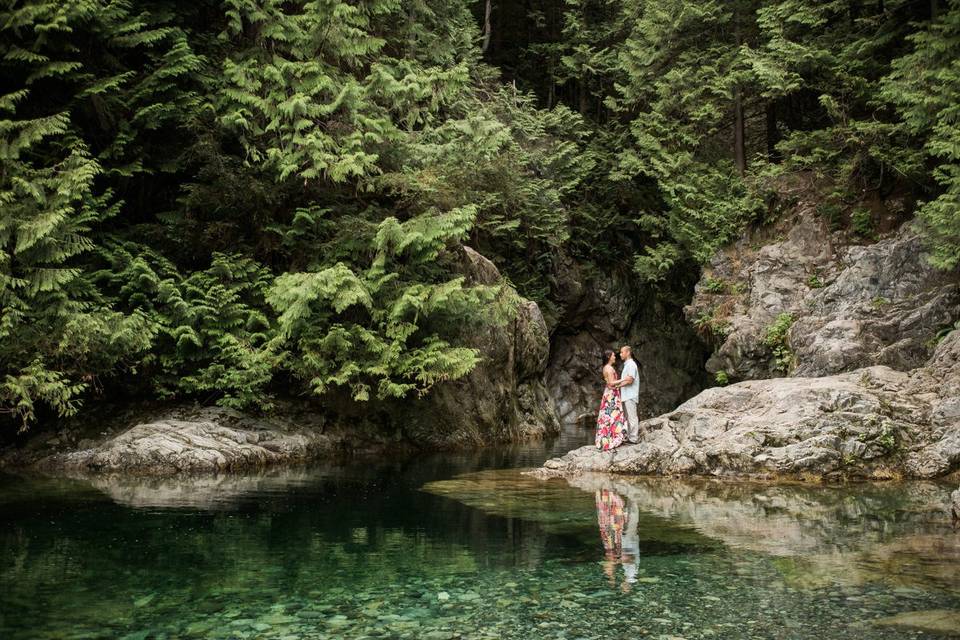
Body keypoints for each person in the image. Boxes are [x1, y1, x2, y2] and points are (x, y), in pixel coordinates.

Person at [595, 349, 627, 450]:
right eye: (613, 356)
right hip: (611, 395)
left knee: (609, 417)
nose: (615, 357)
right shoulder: (608, 368)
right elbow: (611, 383)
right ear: (609, 357)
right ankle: (610, 439)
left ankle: (609, 438)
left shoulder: (607, 367)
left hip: (610, 394)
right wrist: (623, 379)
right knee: (611, 416)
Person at [611, 345, 642, 444]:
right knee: (627, 417)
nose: (620, 354)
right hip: (626, 395)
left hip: (630, 395)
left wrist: (617, 386)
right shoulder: (627, 364)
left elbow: (630, 380)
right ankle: (629, 437)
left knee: (632, 417)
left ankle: (633, 438)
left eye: (622, 352)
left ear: (628, 352)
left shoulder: (631, 364)